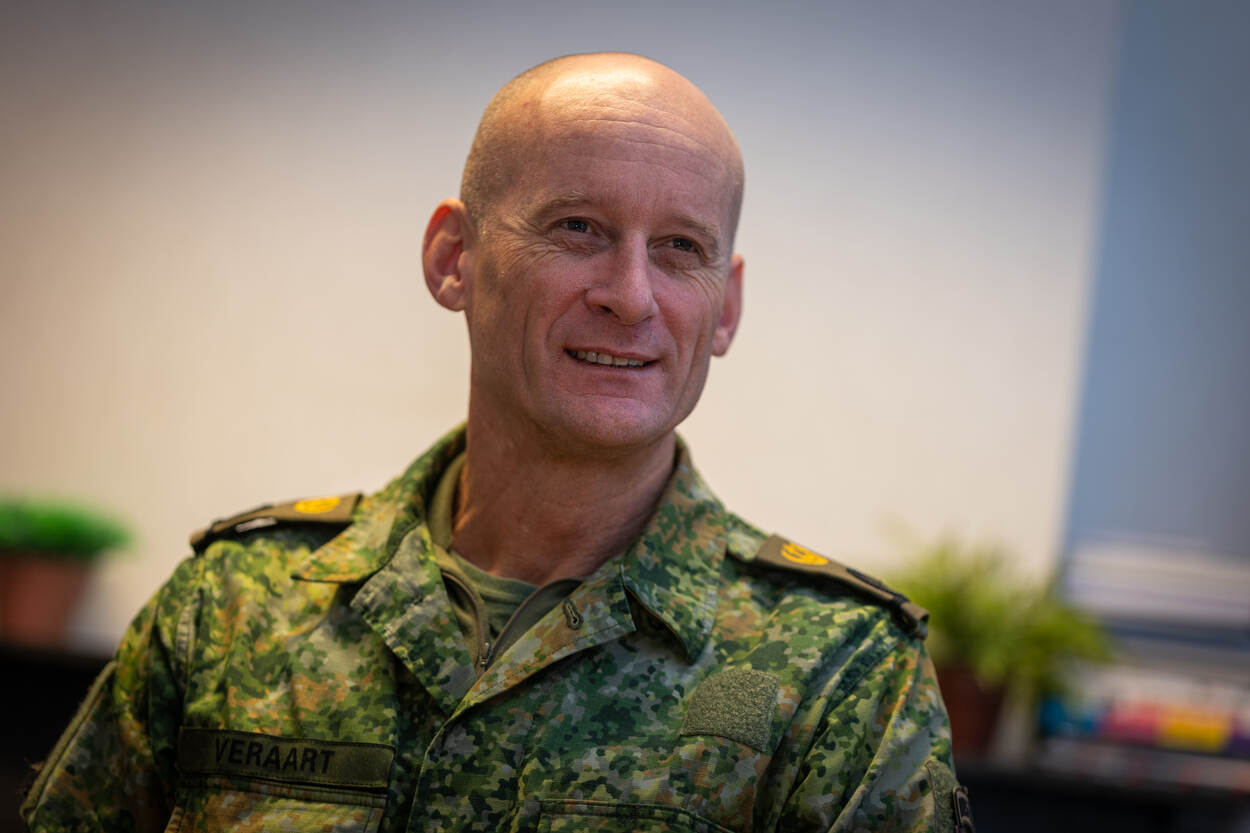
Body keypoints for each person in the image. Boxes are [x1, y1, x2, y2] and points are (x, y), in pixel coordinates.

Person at [22, 53, 972, 833]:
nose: (630, 295)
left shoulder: (837, 672)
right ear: (455, 259)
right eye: (578, 228)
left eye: (681, 248)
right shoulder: (233, 609)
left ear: (725, 309)